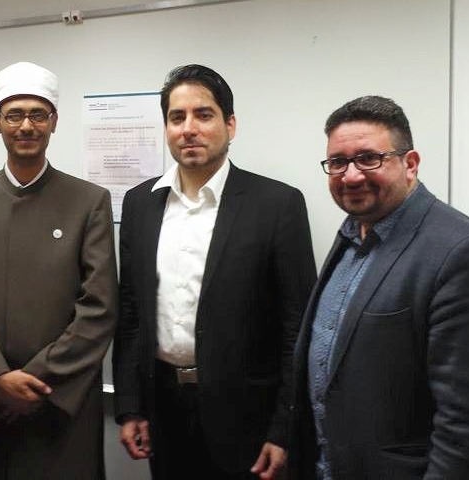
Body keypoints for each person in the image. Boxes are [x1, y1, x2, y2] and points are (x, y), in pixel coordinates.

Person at [111, 64, 316, 480]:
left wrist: (284, 428)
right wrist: (130, 406)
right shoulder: (139, 204)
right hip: (163, 410)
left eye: (203, 115)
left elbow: (297, 327)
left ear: (230, 124)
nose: (189, 129)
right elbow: (131, 314)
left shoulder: (277, 205)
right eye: (177, 117)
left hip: (249, 418)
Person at [290, 96, 469, 479]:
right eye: (338, 162)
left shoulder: (459, 252)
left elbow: (468, 427)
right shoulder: (352, 233)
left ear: (410, 164)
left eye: (368, 158)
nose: (351, 176)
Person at [0, 61, 118, 480]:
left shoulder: (89, 201)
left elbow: (99, 308)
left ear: (54, 122)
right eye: (14, 114)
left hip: (62, 403)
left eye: (38, 114)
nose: (26, 126)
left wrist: (35, 380)